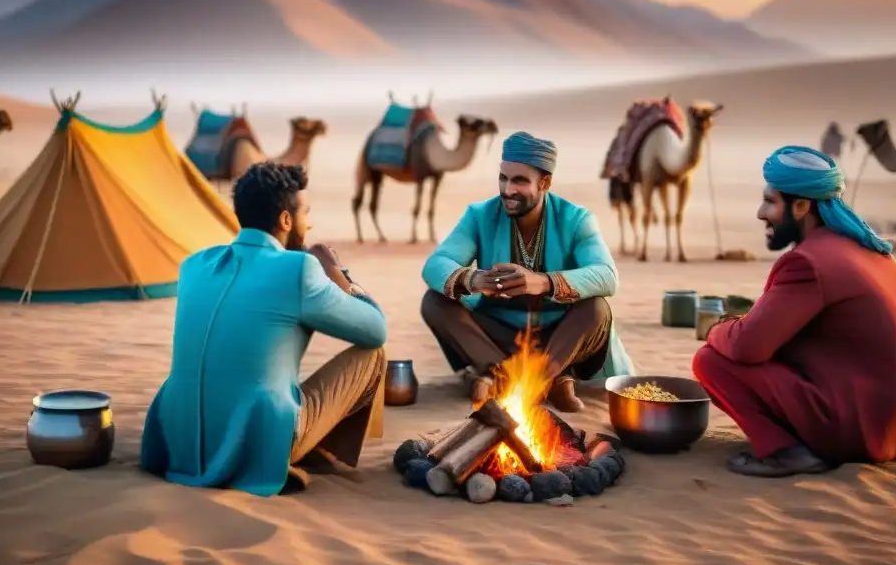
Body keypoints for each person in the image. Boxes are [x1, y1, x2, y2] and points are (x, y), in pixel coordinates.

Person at [692, 145, 896, 477]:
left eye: (770, 202)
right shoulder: (872, 251)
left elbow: (746, 346)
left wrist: (716, 328)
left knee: (711, 360)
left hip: (868, 432)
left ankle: (786, 453)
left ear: (801, 206)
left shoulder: (807, 263)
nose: (760, 213)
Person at [140, 162, 387, 496]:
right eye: (306, 213)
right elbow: (375, 330)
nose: (309, 223)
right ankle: (310, 453)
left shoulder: (194, 265)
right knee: (373, 355)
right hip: (257, 441)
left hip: (176, 442)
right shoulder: (299, 268)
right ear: (286, 220)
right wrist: (339, 274)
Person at [420, 131, 633, 412]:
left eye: (520, 180)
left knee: (596, 309)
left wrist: (542, 282)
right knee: (435, 302)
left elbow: (607, 276)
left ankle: (529, 379)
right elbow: (436, 264)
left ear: (544, 183)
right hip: (499, 337)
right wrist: (474, 279)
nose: (508, 189)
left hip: (559, 340)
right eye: (503, 178)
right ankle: (530, 380)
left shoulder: (576, 219)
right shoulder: (480, 215)